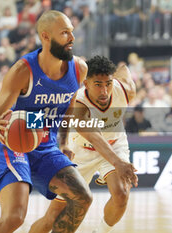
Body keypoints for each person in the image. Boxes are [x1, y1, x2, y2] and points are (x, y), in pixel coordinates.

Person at [0, 10, 95, 233]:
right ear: (46, 37)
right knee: (14, 217)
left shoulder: (79, 68)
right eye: (65, 33)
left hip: (45, 140)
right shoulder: (22, 70)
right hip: (13, 139)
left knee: (82, 198)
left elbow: (70, 108)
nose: (72, 38)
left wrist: (63, 142)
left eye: (72, 32)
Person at [29, 56, 138, 233]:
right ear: (86, 84)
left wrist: (113, 72)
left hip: (115, 144)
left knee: (121, 194)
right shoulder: (77, 105)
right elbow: (95, 138)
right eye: (98, 85)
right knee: (54, 215)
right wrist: (119, 163)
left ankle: (100, 231)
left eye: (108, 84)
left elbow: (124, 69)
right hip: (81, 152)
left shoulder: (125, 90)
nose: (104, 91)